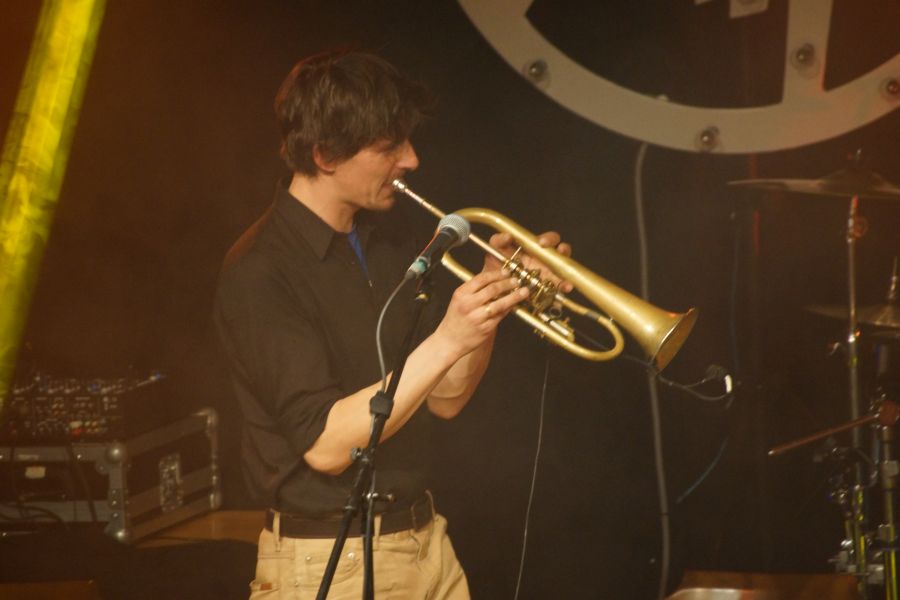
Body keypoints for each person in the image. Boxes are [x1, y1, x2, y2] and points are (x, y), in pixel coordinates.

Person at [214, 50, 571, 599]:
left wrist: (493, 296)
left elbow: (445, 398)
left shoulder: (385, 245)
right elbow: (326, 446)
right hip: (331, 561)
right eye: (389, 147)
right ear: (325, 154)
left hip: (426, 544)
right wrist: (449, 337)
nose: (412, 159)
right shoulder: (260, 270)